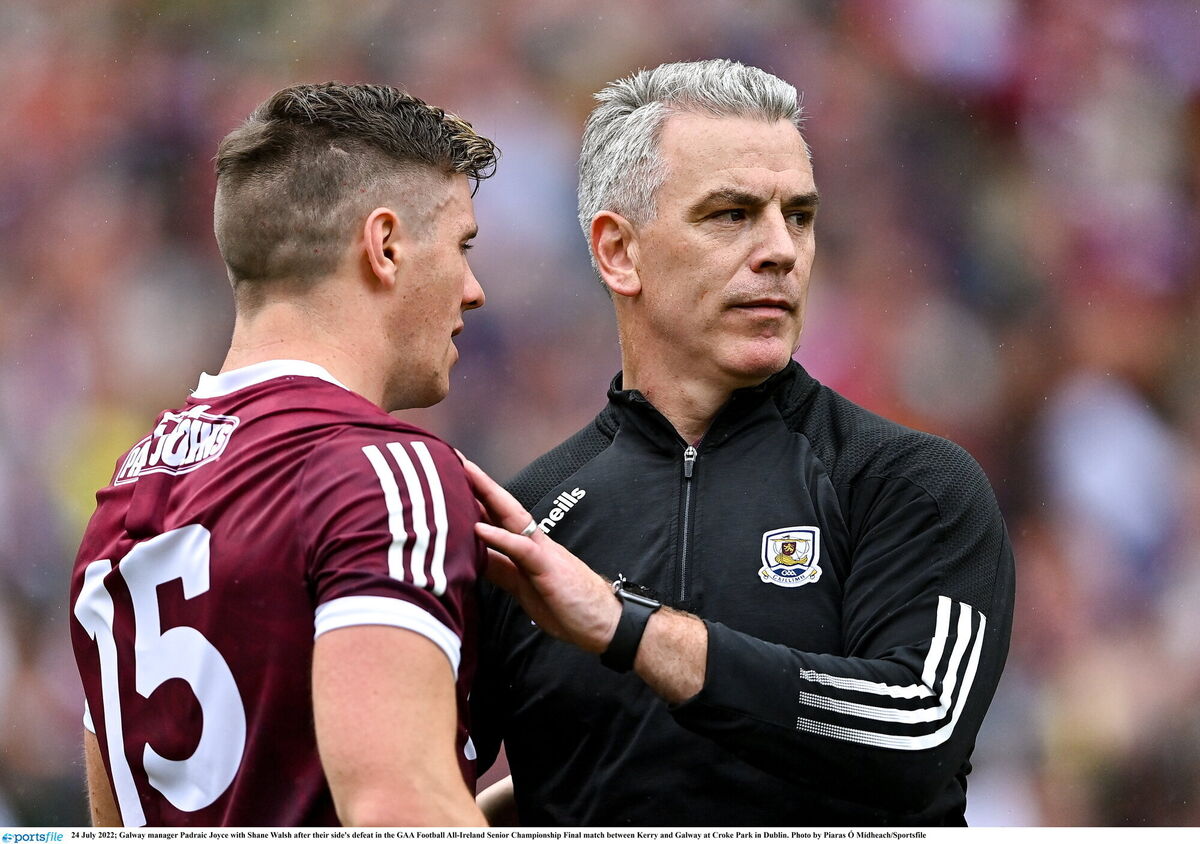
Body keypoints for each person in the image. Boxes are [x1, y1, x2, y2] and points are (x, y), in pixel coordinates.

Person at [468, 59, 1015, 826]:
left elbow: (918, 732)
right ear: (617, 252)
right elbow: (420, 783)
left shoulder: (908, 482)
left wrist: (629, 628)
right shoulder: (527, 522)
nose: (781, 250)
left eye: (798, 215)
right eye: (731, 214)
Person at [68, 82, 497, 826]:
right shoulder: (380, 471)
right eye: (461, 246)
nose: (474, 290)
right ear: (385, 245)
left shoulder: (125, 496)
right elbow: (397, 810)